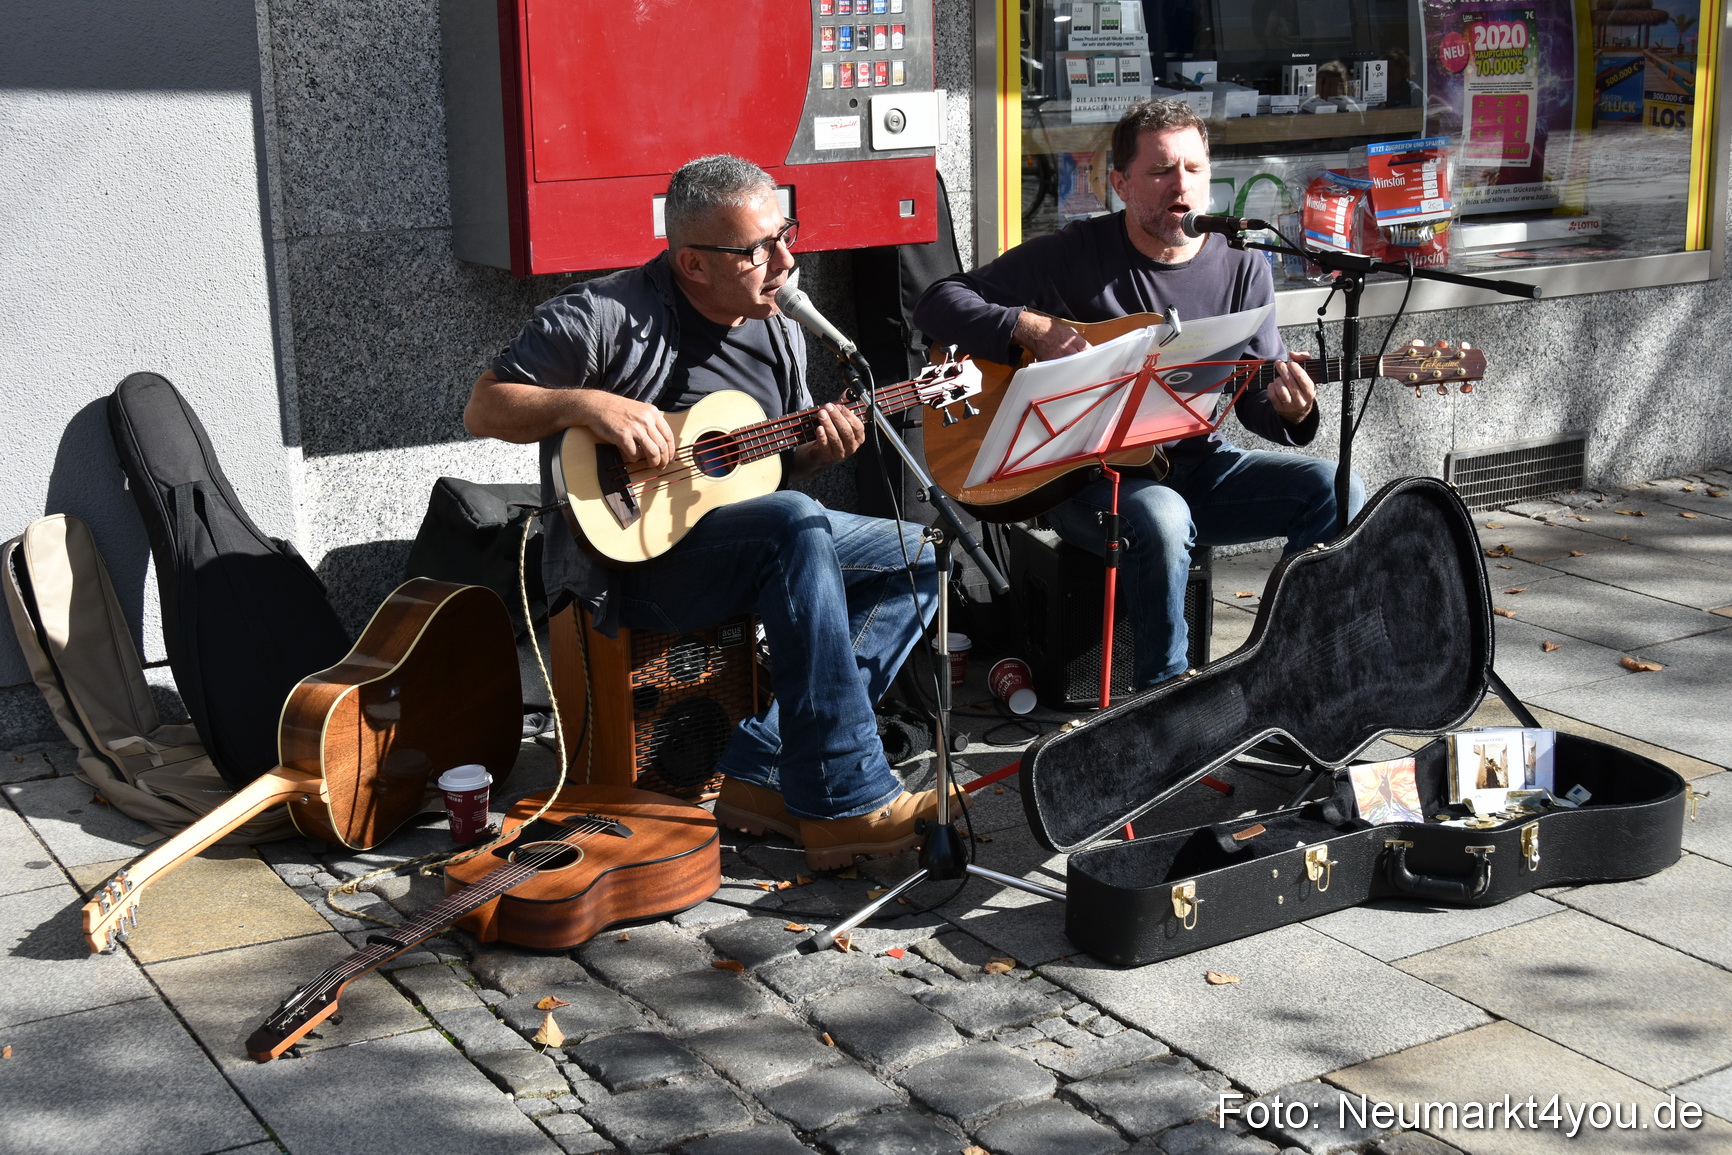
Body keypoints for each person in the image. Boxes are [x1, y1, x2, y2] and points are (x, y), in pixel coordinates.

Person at [465, 154, 946, 870]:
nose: (784, 259)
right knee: (794, 523)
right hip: (627, 559)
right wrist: (588, 403)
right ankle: (847, 800)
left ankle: (763, 766)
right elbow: (484, 406)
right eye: (759, 249)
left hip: (740, 539)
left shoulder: (779, 327)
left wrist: (820, 450)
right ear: (693, 263)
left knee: (917, 551)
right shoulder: (603, 315)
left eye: (787, 235)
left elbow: (768, 468)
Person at [914, 99, 1364, 690]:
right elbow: (938, 303)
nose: (1182, 185)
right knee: (1163, 513)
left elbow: (1252, 392)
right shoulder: (1074, 254)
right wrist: (1030, 327)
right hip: (1087, 479)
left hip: (1199, 467)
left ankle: (1281, 671)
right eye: (1161, 171)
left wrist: (1293, 410)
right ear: (1121, 183)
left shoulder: (1244, 266)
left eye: (1195, 169)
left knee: (1335, 490)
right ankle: (1165, 702)